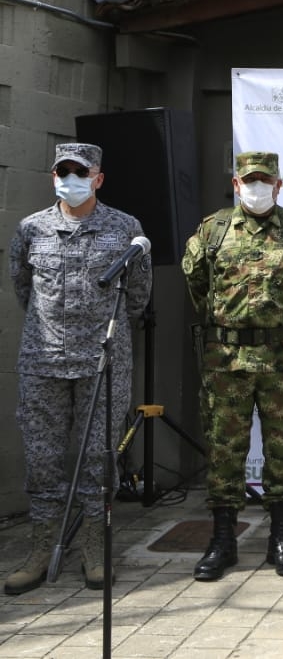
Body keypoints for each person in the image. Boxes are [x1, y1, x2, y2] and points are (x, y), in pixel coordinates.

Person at [6, 143, 153, 595]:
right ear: (53, 175)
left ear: (98, 177)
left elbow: (138, 296)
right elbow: (22, 287)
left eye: (79, 171)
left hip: (101, 363)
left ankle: (95, 546)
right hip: (43, 362)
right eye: (62, 171)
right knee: (43, 458)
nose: (70, 178)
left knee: (97, 458)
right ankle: (41, 548)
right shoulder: (32, 229)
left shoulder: (125, 229)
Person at [181, 151, 283, 582]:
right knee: (225, 449)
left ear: (279, 185)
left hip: (282, 357)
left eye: (265, 181)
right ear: (236, 184)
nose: (257, 188)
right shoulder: (213, 231)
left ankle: (280, 539)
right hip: (225, 360)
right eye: (250, 181)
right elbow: (198, 289)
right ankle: (222, 541)